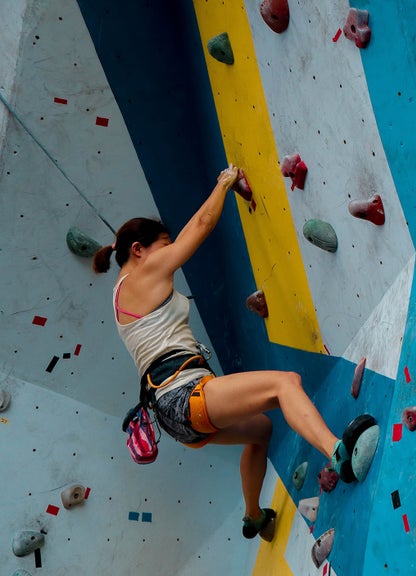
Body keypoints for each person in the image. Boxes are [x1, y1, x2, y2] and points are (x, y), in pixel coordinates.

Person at [93, 165, 349, 540]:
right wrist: (223, 184)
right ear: (139, 250)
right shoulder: (140, 275)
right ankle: (337, 451)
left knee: (261, 430)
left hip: (173, 415)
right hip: (184, 396)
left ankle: (253, 516)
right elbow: (197, 230)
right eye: (162, 247)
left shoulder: (121, 297)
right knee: (285, 383)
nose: (169, 256)